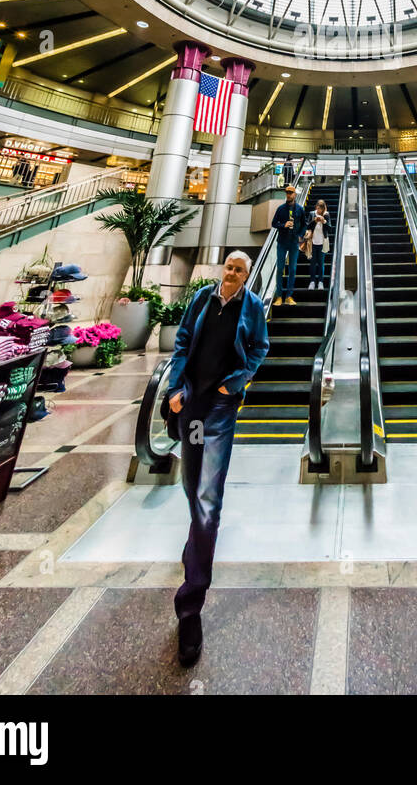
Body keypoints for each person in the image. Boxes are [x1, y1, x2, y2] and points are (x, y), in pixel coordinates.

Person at [166, 251, 268, 668]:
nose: (232, 272)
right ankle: (196, 547)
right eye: (228, 265)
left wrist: (236, 383)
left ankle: (191, 605)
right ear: (222, 268)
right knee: (193, 491)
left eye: (239, 269)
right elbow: (183, 342)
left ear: (246, 276)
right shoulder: (202, 299)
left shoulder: (254, 306)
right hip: (192, 409)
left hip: (220, 413)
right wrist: (175, 387)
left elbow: (260, 347)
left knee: (208, 503)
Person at [271, 183, 306, 306]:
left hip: (294, 243)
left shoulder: (300, 209)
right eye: (287, 193)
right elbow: (274, 223)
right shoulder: (281, 209)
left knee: (292, 269)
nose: (288, 195)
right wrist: (283, 225)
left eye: (290, 193)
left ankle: (289, 296)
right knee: (280, 269)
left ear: (295, 195)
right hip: (282, 242)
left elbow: (304, 224)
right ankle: (279, 296)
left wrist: (300, 235)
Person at [306, 198, 330, 291]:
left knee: (321, 263)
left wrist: (324, 221)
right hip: (312, 242)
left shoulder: (326, 215)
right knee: (312, 263)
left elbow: (330, 229)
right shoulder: (312, 214)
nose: (319, 211)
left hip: (322, 242)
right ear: (316, 207)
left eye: (321, 209)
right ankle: (312, 281)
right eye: (318, 208)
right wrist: (314, 221)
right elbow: (307, 226)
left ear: (324, 209)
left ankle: (320, 282)